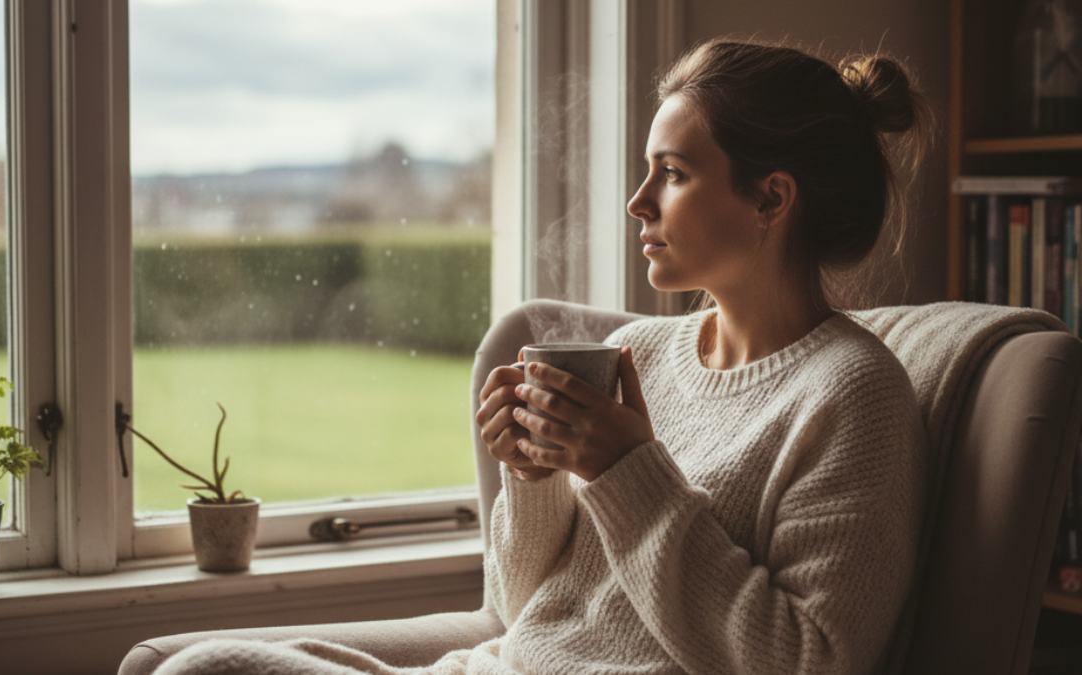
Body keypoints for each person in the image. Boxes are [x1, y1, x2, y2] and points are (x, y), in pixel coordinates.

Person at [151, 38, 932, 675]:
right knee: (204, 667)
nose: (639, 201)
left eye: (674, 173)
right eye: (646, 169)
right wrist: (535, 481)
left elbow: (806, 661)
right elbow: (526, 611)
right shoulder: (635, 355)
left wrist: (628, 472)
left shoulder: (853, 396)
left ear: (770, 199)